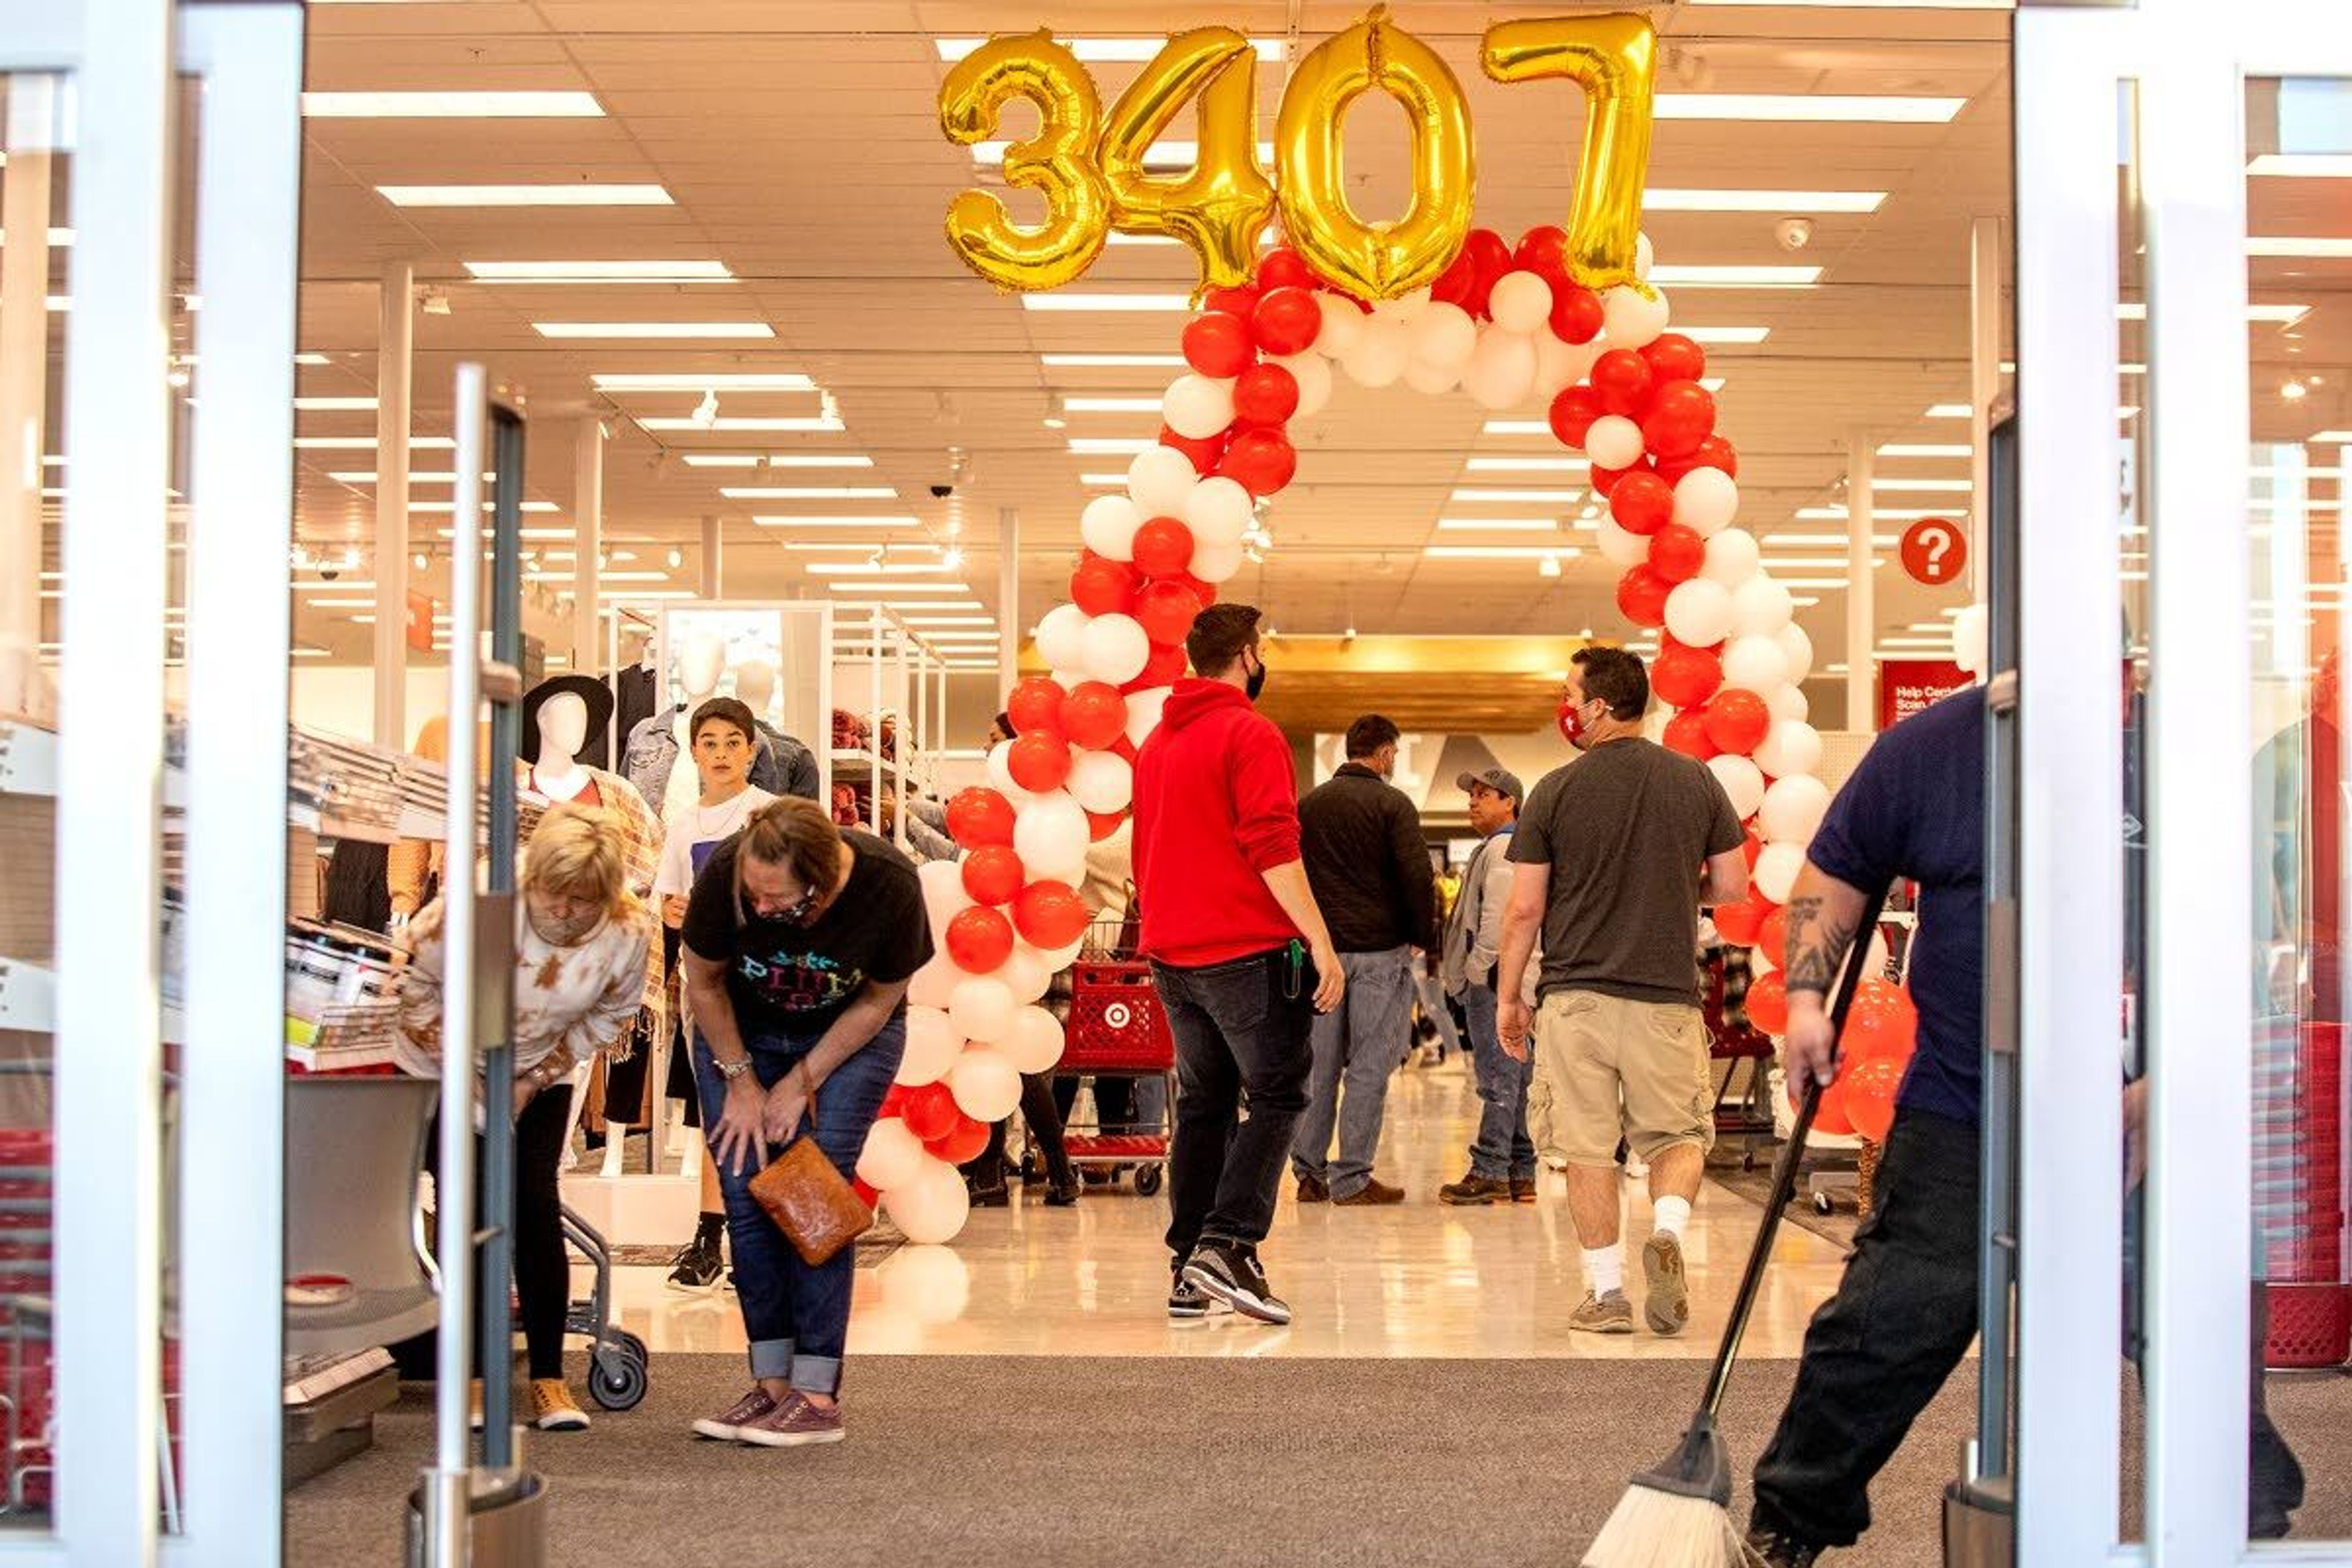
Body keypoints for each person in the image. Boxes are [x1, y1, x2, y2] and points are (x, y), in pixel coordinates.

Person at [1744, 684, 2305, 1563]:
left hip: (2150, 1106)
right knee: (1883, 1329)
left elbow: (2247, 934)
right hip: (1965, 1105)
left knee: (2192, 1318)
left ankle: (2247, 1527)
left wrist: (2175, 1083)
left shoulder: (2173, 751)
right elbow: (1837, 871)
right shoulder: (1935, 745)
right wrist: (1810, 999)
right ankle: (1789, 1525)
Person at [1497, 647, 1747, 1338]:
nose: (1567, 706)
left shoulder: (1554, 789)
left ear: (1600, 706)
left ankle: (1606, 1295)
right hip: (1666, 998)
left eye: (1572, 693)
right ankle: (1667, 1228)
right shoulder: (1696, 781)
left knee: (1586, 1147)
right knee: (1677, 1134)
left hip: (1576, 999)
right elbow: (1729, 887)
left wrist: (1509, 997)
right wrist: (1673, 888)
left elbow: (1524, 910)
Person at [391, 802, 657, 1432]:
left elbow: (610, 1016)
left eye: (582, 901)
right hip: (444, 1060)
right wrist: (474, 1070)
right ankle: (475, 1379)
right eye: (553, 896)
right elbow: (412, 985)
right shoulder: (484, 901)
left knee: (533, 1202)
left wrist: (534, 1076)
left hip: (541, 1067)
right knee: (467, 1206)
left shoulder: (626, 929)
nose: (565, 912)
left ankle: (547, 1378)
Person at [681, 797, 932, 1447]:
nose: (760, 911)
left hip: (850, 1036)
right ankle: (770, 1386)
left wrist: (801, 1081)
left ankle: (816, 1394)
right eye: (753, 897)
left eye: (779, 900)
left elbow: (880, 1000)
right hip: (740, 1031)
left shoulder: (889, 884)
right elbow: (703, 982)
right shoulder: (729, 873)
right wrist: (741, 1080)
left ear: (825, 884)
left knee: (811, 1189)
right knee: (744, 1195)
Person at [1133, 603, 1343, 1324]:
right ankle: (1228, 1244)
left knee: (1205, 1104)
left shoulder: (1158, 741)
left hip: (1172, 954)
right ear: (1249, 654)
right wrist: (1318, 937)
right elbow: (1272, 844)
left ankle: (1188, 1267)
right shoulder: (1250, 733)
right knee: (1281, 1092)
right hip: (1242, 951)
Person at [655, 698, 778, 1291]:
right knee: (716, 1113)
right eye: (710, 742)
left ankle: (767, 1238)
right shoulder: (680, 828)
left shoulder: (771, 816)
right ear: (694, 751)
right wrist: (672, 910)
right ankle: (711, 1236)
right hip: (703, 992)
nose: (722, 753)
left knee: (771, 1107)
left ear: (752, 749)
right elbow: (668, 897)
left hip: (767, 987)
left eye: (734, 741)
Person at [1290, 714, 1439, 1205]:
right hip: (1379, 953)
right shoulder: (1392, 804)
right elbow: (1417, 874)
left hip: (1323, 956)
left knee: (1319, 1067)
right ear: (1386, 754)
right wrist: (1422, 935)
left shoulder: (1309, 806)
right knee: (1369, 1068)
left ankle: (1309, 1174)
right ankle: (1352, 1177)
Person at [1438, 767, 1540, 1206]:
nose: (1473, 801)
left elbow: (1499, 918)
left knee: (1498, 1076)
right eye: (1472, 795)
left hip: (1497, 979)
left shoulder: (1502, 849)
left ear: (1509, 802)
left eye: (1484, 794)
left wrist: (1477, 971)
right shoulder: (1508, 847)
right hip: (1512, 978)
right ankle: (1521, 1170)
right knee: (1514, 1073)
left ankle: (1490, 1169)